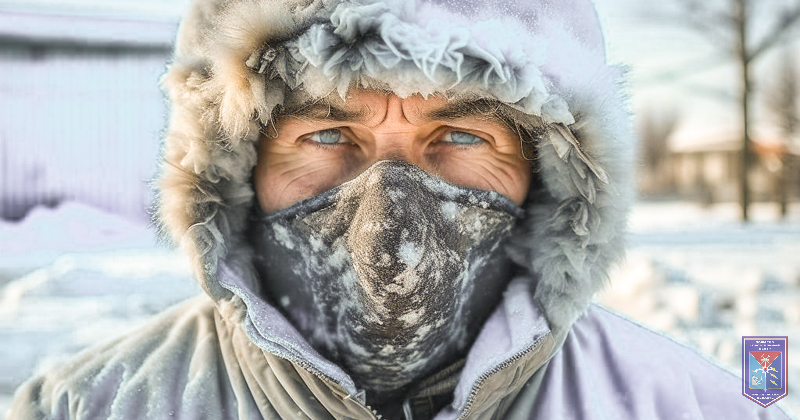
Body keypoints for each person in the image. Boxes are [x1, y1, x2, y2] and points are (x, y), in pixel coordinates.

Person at [7, 0, 795, 419]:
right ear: (233, 167)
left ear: (553, 177)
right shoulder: (84, 408)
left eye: (460, 134)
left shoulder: (693, 408)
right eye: (327, 133)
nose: (388, 215)